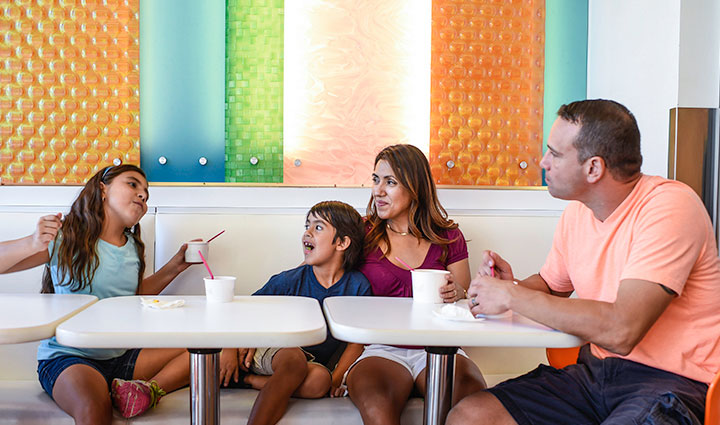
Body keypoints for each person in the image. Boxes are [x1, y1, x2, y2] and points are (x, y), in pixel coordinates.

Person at [448, 99, 720, 425]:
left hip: (671, 383)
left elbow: (623, 330)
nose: (543, 161)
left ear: (593, 168)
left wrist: (513, 297)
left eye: (555, 154)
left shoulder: (670, 207)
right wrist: (510, 287)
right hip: (595, 373)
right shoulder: (578, 212)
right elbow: (551, 287)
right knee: (471, 415)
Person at [0, 164, 196, 425]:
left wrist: (174, 267)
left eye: (147, 194)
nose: (143, 196)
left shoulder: (133, 248)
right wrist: (33, 242)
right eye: (133, 184)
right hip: (70, 357)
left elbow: (131, 295)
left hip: (123, 357)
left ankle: (142, 392)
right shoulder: (66, 238)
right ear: (102, 189)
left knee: (203, 348)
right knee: (94, 407)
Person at [346, 144, 487, 425]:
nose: (378, 191)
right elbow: (321, 274)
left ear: (415, 187)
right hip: (380, 347)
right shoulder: (363, 233)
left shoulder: (448, 236)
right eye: (375, 180)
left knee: (473, 400)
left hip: (440, 348)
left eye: (390, 182)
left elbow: (466, 297)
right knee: (377, 408)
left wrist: (457, 292)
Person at [219, 200, 372, 425]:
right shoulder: (290, 280)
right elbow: (242, 311)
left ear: (342, 242)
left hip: (310, 364)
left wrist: (336, 380)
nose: (307, 233)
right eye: (306, 226)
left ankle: (246, 380)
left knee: (320, 381)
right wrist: (230, 349)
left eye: (318, 227)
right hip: (274, 352)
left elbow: (356, 342)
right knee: (293, 357)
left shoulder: (358, 286)